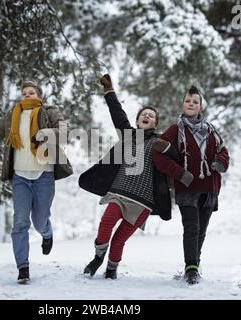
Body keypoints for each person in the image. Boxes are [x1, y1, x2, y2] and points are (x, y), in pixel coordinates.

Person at [0, 81, 73, 284]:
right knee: (20, 223)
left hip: (44, 175)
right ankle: (23, 268)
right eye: (24, 93)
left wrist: (45, 133)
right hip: (20, 177)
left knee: (40, 220)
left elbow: (64, 132)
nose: (27, 95)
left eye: (32, 92)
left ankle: (46, 233)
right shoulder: (13, 115)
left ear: (40, 96)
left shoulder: (49, 111)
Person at [79, 74, 178, 279]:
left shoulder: (160, 142)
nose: (147, 116)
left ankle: (112, 270)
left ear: (155, 123)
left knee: (119, 240)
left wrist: (167, 147)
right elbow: (116, 112)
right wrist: (109, 90)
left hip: (143, 201)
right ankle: (98, 258)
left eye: (151, 116)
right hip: (119, 192)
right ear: (137, 120)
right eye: (144, 114)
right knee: (106, 223)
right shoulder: (128, 134)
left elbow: (176, 157)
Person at [153, 86, 230, 285]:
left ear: (200, 107)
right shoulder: (175, 130)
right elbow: (157, 154)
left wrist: (219, 162)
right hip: (187, 187)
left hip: (210, 186)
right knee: (192, 228)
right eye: (188, 101)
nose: (191, 104)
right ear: (183, 104)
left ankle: (194, 264)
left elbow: (223, 151)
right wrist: (179, 173)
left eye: (195, 102)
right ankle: (191, 269)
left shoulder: (211, 130)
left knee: (202, 230)